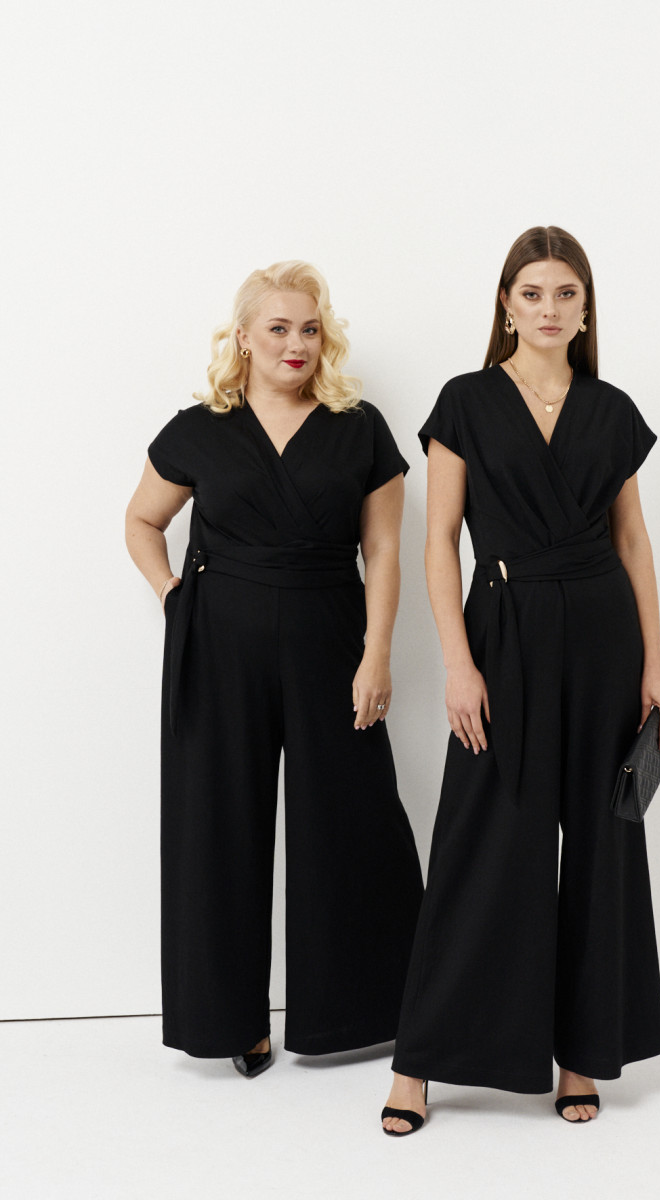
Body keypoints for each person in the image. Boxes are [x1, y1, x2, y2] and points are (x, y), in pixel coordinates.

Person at [380, 226, 660, 1135]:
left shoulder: (611, 409)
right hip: (502, 631)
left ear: (586, 309)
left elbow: (632, 540)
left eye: (566, 294)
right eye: (533, 293)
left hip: (602, 636)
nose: (550, 309)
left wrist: (657, 663)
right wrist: (458, 662)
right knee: (480, 845)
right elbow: (440, 541)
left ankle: (581, 1056)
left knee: (600, 845)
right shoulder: (467, 401)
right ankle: (418, 1064)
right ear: (506, 305)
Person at [125, 261, 423, 1076]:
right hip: (217, 645)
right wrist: (175, 597)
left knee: (353, 820)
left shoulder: (359, 428)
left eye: (310, 329)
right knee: (216, 827)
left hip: (333, 640)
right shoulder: (200, 427)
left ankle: (360, 1013)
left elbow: (384, 550)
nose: (296, 343)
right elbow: (142, 521)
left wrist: (377, 653)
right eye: (279, 328)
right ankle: (232, 1023)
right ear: (245, 338)